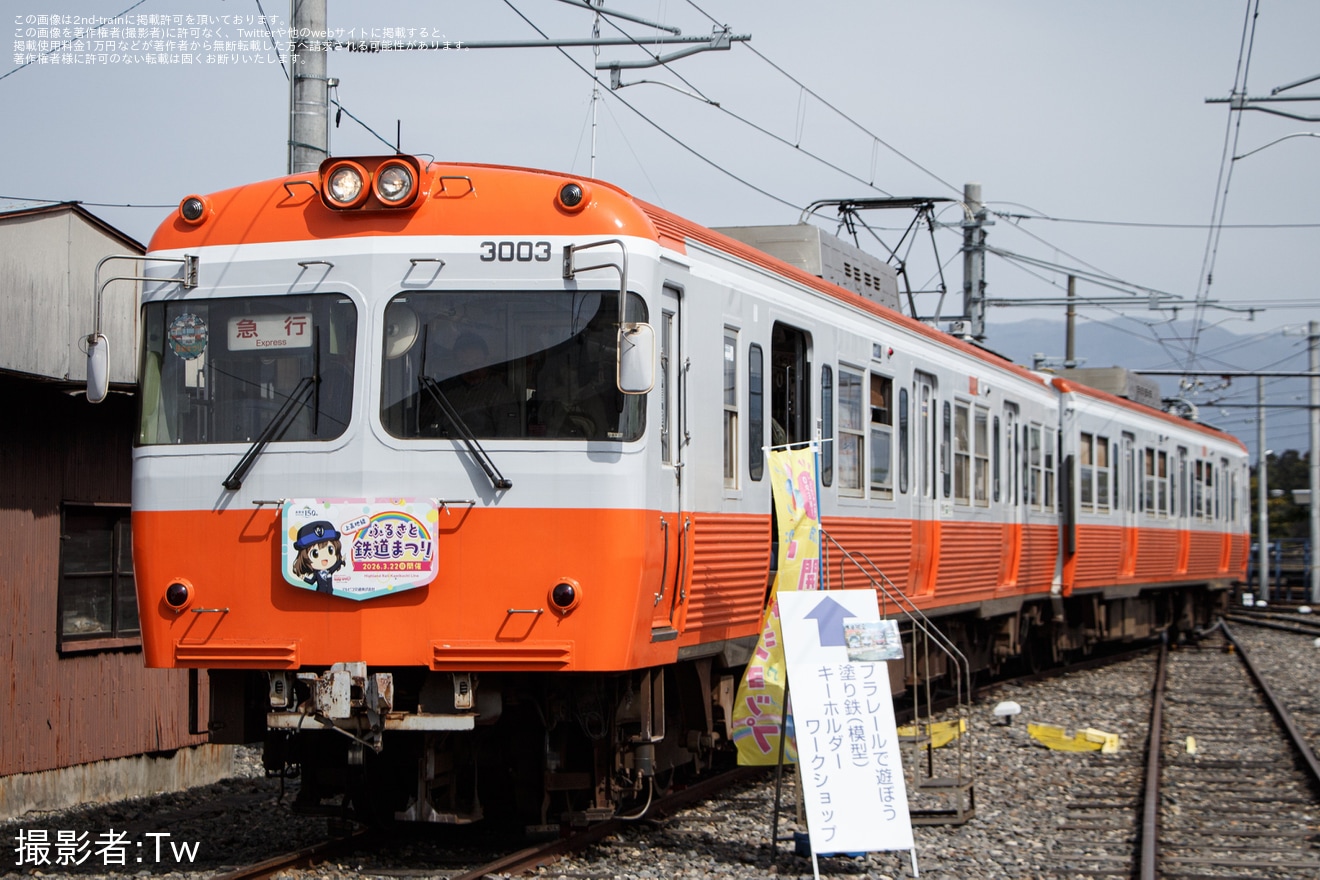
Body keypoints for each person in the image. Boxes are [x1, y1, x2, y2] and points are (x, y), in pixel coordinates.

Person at [434, 333, 520, 437]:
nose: (473, 372)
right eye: (465, 366)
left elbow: (508, 436)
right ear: (457, 365)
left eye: (476, 364)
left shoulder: (500, 395)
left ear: (487, 361)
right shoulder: (448, 391)